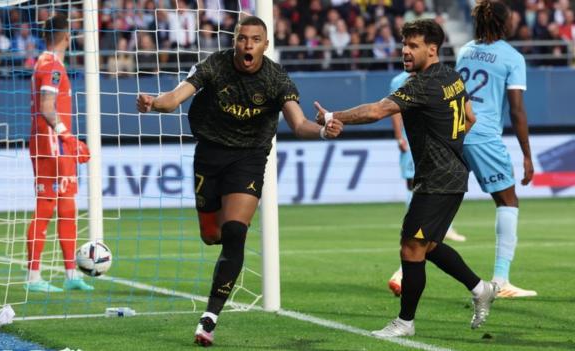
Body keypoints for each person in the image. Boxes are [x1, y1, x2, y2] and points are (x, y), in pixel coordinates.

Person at [136, 15, 343, 347]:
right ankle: (218, 264)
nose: (248, 45)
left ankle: (209, 319)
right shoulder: (215, 66)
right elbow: (175, 98)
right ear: (235, 41)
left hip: (248, 158)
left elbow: (299, 123)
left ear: (265, 44)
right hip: (210, 154)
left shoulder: (277, 78)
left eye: (255, 39)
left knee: (235, 232)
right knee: (211, 235)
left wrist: (321, 130)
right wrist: (153, 103)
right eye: (242, 38)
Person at [315, 19, 497, 337]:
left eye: (413, 46)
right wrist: (448, 144)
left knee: (411, 247)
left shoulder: (420, 84)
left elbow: (375, 111)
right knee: (427, 245)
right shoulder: (452, 76)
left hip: (439, 178)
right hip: (451, 173)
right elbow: (469, 117)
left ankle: (405, 322)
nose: (405, 51)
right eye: (404, 45)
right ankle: (481, 288)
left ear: (432, 49)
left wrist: (333, 116)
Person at [456, 0, 536, 298]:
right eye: (511, 19)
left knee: (442, 204)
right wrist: (527, 155)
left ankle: (404, 269)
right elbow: (516, 111)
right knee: (508, 201)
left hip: (455, 134)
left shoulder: (465, 50)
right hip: (484, 135)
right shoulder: (512, 57)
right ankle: (501, 280)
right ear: (504, 24)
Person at [26, 14, 92, 293]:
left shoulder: (47, 62)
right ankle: (33, 277)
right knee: (47, 206)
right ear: (67, 36)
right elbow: (47, 106)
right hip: (50, 144)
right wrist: (68, 136)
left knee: (68, 206)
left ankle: (70, 274)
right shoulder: (52, 65)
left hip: (56, 144)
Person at [386, 70, 467, 296]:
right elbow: (391, 111)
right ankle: (480, 288)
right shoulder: (403, 80)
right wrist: (399, 136)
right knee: (413, 189)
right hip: (421, 148)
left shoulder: (435, 81)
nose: (407, 52)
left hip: (436, 159)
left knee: (420, 242)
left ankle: (479, 288)